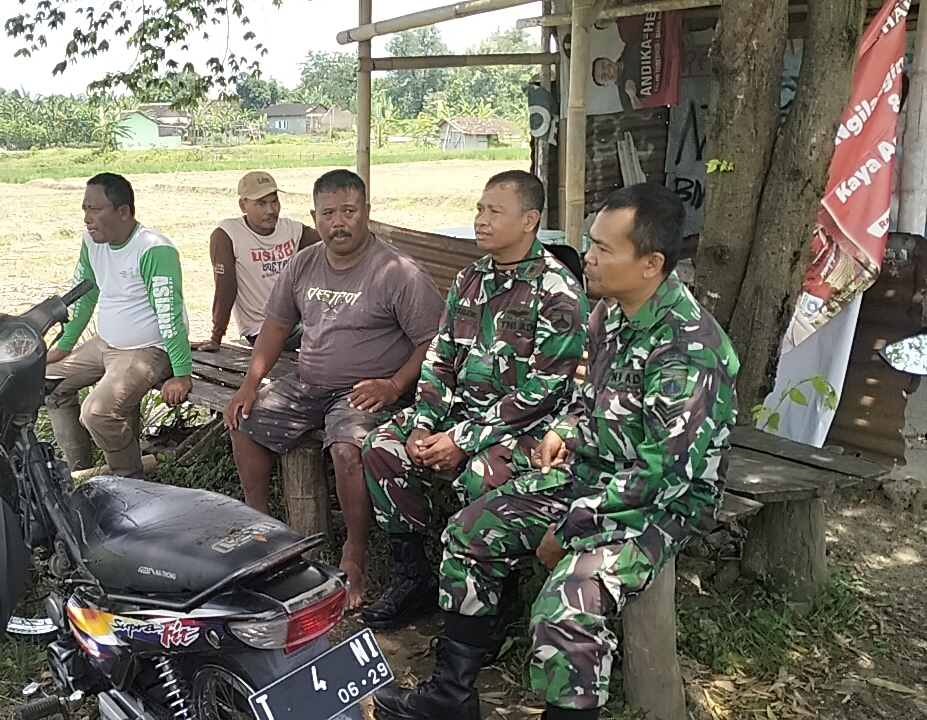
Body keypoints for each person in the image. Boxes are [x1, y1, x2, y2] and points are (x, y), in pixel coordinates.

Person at [373, 184, 739, 720]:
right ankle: (451, 696)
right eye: (590, 244)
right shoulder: (610, 315)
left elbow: (661, 477)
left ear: (650, 263)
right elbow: (586, 396)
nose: (586, 257)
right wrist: (565, 428)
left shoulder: (687, 350)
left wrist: (567, 530)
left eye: (603, 249)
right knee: (470, 531)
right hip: (589, 474)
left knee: (565, 608)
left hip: (658, 506)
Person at [361, 171, 589, 631]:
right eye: (479, 209)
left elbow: (544, 392)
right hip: (457, 417)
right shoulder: (470, 278)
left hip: (525, 429)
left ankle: (494, 601)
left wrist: (463, 441)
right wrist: (425, 424)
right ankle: (415, 577)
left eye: (494, 212)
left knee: (481, 475)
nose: (480, 221)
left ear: (530, 220)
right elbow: (440, 359)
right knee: (382, 445)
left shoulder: (557, 290)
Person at [224, 169, 444, 609]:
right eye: (328, 213)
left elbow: (434, 341)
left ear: (367, 213)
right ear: (314, 217)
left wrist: (395, 383)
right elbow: (276, 326)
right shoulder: (304, 263)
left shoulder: (397, 272)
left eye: (349, 211)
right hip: (308, 383)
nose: (339, 222)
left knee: (347, 449)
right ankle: (261, 531)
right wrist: (250, 383)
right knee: (243, 419)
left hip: (366, 389)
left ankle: (355, 553)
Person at [46, 173, 193, 478]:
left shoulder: (153, 249)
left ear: (123, 212)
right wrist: (63, 347)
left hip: (146, 350)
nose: (87, 219)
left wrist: (181, 374)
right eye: (85, 209)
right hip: (105, 343)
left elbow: (169, 313)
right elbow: (83, 297)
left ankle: (131, 482)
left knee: (97, 413)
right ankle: (80, 473)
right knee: (46, 383)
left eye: (95, 210)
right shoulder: (92, 243)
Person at [192, 171, 321, 352]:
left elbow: (333, 244)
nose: (270, 210)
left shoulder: (293, 230)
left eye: (274, 201)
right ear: (243, 206)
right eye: (261, 204)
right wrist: (216, 336)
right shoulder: (227, 235)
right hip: (263, 329)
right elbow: (225, 287)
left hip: (298, 321)